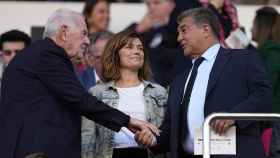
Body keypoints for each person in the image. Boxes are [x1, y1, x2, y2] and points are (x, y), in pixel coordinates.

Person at [0, 8, 159, 158]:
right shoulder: (48, 55)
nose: (86, 41)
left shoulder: (41, 54)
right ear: (64, 32)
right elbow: (80, 99)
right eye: (83, 33)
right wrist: (127, 121)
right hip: (34, 151)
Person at [136, 7, 272, 158]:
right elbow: (171, 128)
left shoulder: (243, 59)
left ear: (205, 29)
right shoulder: (178, 81)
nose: (179, 38)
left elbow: (264, 95)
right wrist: (152, 139)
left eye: (184, 30)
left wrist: (234, 116)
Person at [82, 29, 168, 158]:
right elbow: (88, 140)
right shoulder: (96, 92)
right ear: (115, 54)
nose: (137, 51)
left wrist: (151, 138)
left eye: (140, 48)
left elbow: (167, 133)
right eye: (129, 47)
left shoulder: (159, 92)